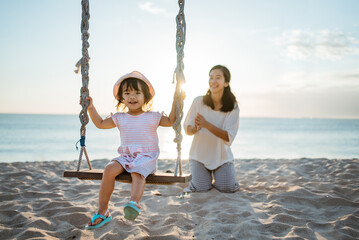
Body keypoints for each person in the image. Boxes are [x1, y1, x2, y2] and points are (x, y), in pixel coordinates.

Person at [85, 71, 179, 229]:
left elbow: (170, 121)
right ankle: (103, 211)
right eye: (127, 93)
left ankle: (133, 203)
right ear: (121, 98)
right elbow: (100, 123)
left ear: (145, 97)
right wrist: (91, 108)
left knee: (137, 171)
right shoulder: (120, 118)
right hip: (126, 156)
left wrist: (176, 102)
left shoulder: (152, 116)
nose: (132, 97)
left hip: (146, 157)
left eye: (137, 92)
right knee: (108, 169)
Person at [183, 65, 240, 193]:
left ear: (226, 83)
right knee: (201, 188)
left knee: (228, 188)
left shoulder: (233, 107)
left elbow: (228, 137)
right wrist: (195, 129)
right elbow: (187, 129)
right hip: (199, 157)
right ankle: (203, 179)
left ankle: (224, 176)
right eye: (211, 77)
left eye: (218, 78)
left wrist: (206, 124)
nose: (213, 81)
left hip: (222, 158)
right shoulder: (199, 101)